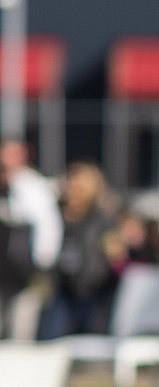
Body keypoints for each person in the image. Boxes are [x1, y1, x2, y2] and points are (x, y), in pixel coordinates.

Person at [38, 161, 120, 340]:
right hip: (61, 290)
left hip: (92, 293)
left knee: (89, 343)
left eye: (79, 186)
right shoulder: (53, 215)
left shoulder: (102, 220)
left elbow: (115, 255)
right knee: (52, 340)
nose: (73, 190)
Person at [0, 140, 62, 339]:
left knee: (21, 329)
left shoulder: (33, 186)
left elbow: (48, 228)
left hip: (25, 273)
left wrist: (43, 265)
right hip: (3, 272)